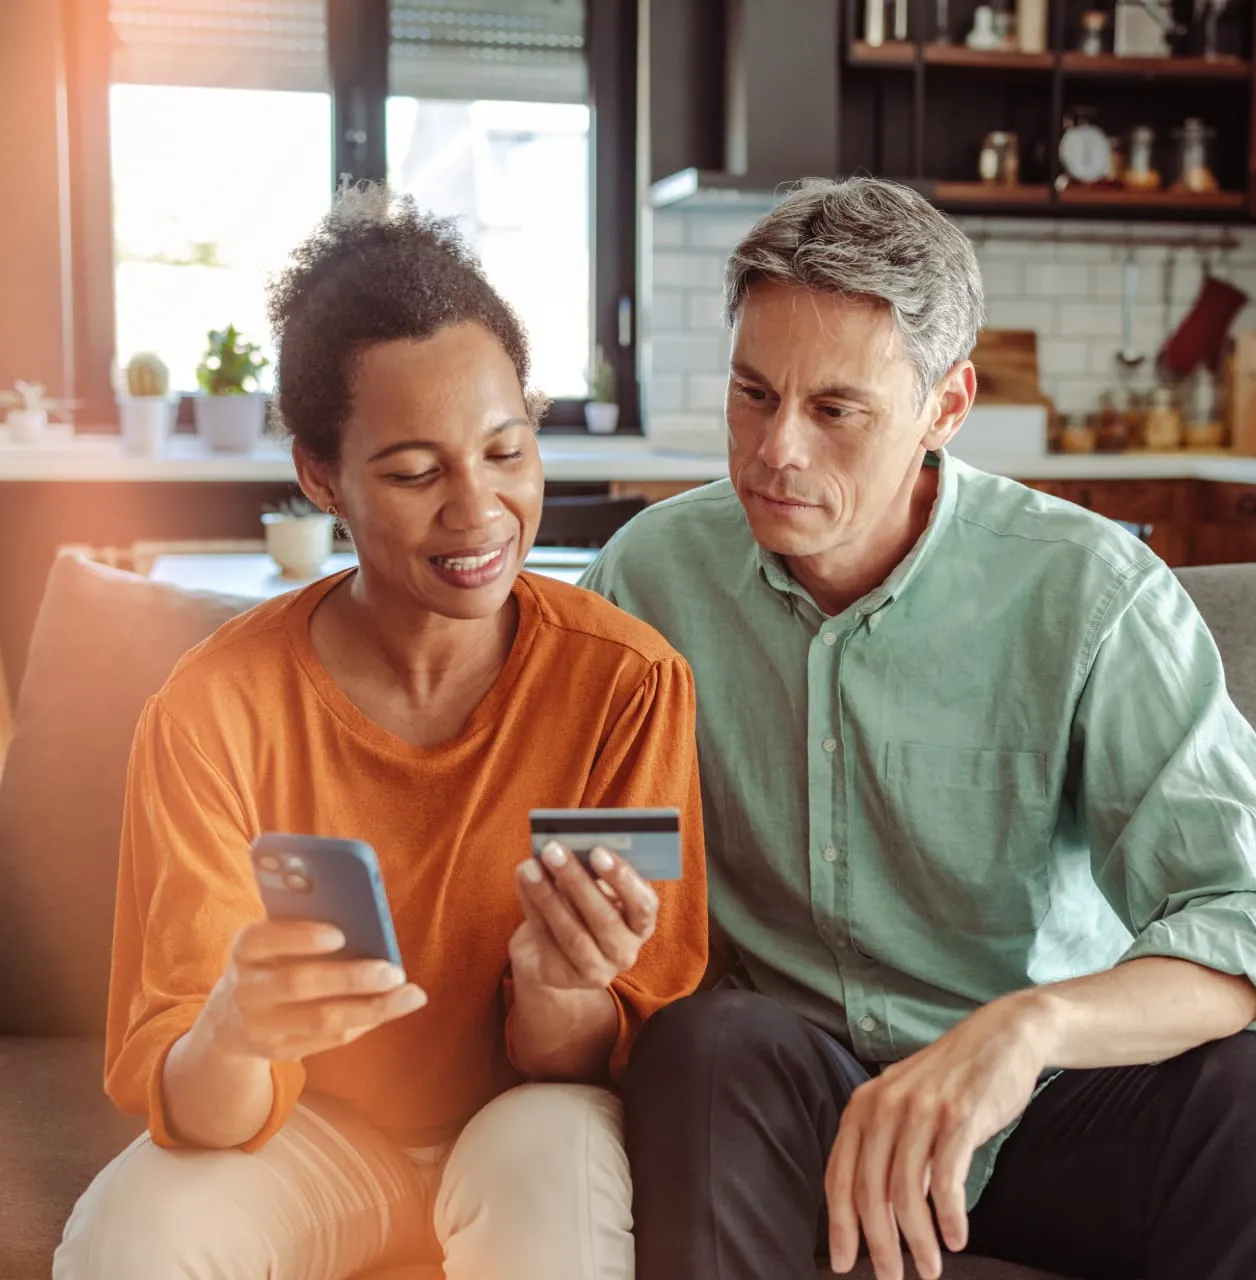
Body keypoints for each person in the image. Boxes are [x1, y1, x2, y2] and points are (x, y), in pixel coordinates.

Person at [582, 177, 1256, 1280]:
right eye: (752, 394)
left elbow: (1233, 907)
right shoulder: (649, 578)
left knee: (1239, 1091)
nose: (775, 449)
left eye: (834, 409)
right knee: (701, 1044)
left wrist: (1028, 1029)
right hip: (793, 1108)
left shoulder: (1089, 593)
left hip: (1041, 1106)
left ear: (944, 406)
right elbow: (592, 835)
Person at [54, 185, 707, 1280]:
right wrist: (238, 1031)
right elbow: (199, 1106)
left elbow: (617, 1053)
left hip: (528, 1120)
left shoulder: (626, 683)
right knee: (130, 1237)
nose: (478, 511)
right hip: (305, 1133)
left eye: (506, 452)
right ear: (321, 475)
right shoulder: (213, 708)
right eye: (414, 471)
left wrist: (559, 985)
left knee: (557, 1197)